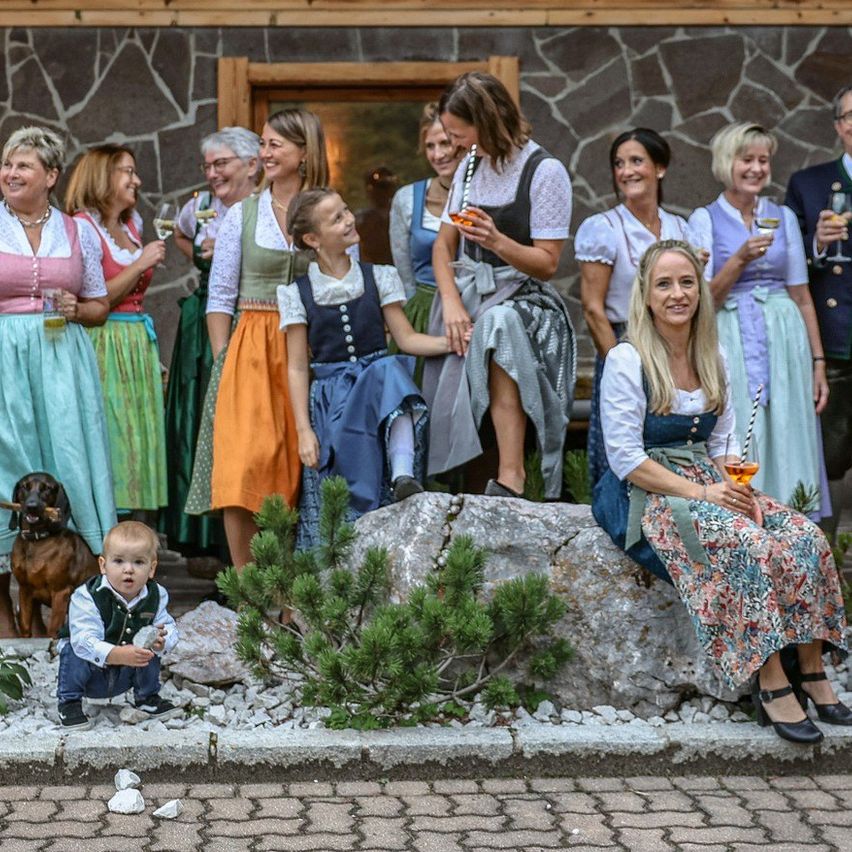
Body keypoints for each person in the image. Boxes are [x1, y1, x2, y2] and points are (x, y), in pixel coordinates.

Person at [593, 239, 849, 744]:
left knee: (801, 534)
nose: (677, 293)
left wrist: (737, 488)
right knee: (747, 543)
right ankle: (770, 681)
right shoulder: (627, 359)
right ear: (645, 294)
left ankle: (812, 671)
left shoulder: (714, 353)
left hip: (706, 479)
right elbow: (626, 459)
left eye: (686, 282)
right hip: (646, 490)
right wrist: (705, 496)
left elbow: (723, 440)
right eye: (664, 284)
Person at [186, 108, 328, 570]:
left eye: (274, 145)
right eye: (262, 144)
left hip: (309, 347)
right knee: (242, 467)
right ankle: (247, 586)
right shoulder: (243, 214)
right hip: (251, 346)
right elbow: (220, 295)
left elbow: (343, 278)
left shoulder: (327, 209)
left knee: (293, 469)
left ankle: (288, 587)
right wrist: (224, 357)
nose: (264, 153)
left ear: (303, 152)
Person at [424, 72, 576, 499]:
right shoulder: (469, 167)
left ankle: (512, 475)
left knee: (498, 325)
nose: (452, 145)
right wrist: (452, 303)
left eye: (458, 134)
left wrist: (496, 240)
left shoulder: (544, 172)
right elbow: (443, 247)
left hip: (526, 299)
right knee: (464, 327)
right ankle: (441, 477)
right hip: (470, 292)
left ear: (487, 122)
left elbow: (547, 264)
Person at [281, 189, 454, 547]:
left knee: (389, 368)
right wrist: (303, 431)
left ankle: (402, 474)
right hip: (332, 400)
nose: (349, 220)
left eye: (347, 210)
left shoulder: (379, 276)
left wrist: (451, 343)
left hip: (379, 395)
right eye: (337, 218)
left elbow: (405, 339)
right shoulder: (297, 293)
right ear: (313, 239)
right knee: (340, 499)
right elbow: (297, 367)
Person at [0, 126, 115, 637]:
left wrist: (78, 308)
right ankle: (4, 612)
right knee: (7, 462)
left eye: (22, 166)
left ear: (50, 175)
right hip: (4, 357)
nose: (10, 173)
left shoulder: (78, 231)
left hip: (62, 361)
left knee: (69, 459)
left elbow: (99, 307)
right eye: (7, 165)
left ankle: (89, 601)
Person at [688, 122, 830, 516]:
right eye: (746, 159)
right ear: (726, 163)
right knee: (742, 429)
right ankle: (747, 518)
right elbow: (705, 300)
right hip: (731, 333)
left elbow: (801, 296)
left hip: (785, 337)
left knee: (789, 426)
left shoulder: (782, 216)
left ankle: (793, 520)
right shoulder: (704, 219)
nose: (755, 168)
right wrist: (739, 259)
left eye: (763, 160)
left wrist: (818, 362)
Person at [576, 128, 696, 487]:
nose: (626, 171)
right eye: (619, 163)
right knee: (625, 446)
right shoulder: (603, 228)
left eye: (636, 161)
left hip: (676, 348)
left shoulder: (680, 227)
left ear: (659, 168)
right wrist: (621, 367)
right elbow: (593, 309)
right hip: (625, 344)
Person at [163, 127, 260, 552]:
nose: (212, 173)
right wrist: (200, 255)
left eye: (221, 163)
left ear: (251, 164)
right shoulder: (199, 206)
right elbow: (181, 234)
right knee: (200, 419)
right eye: (208, 165)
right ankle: (206, 543)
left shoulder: (264, 208)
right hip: (204, 324)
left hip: (251, 319)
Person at [65, 145, 168, 517]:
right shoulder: (82, 227)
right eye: (127, 171)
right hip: (103, 341)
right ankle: (108, 528)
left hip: (136, 341)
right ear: (103, 177)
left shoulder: (131, 225)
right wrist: (140, 263)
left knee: (138, 438)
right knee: (112, 435)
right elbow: (97, 297)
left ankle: (134, 536)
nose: (136, 180)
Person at [786, 84, 852, 540]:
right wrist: (817, 245)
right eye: (850, 115)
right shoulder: (808, 183)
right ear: (839, 127)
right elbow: (786, 265)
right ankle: (826, 567)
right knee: (828, 459)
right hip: (835, 340)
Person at [55, 521, 180, 730]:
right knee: (72, 647)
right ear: (103, 565)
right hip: (91, 675)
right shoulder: (87, 596)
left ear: (152, 568)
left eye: (139, 562)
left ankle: (147, 697)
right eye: (119, 561)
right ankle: (69, 703)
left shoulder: (157, 595)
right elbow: (84, 641)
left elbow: (170, 627)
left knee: (150, 641)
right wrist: (118, 654)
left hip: (126, 674)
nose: (128, 570)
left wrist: (162, 642)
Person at [389, 103, 463, 386]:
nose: (438, 154)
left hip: (472, 306)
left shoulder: (481, 193)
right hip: (423, 312)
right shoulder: (407, 199)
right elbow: (403, 271)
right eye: (430, 146)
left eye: (445, 143)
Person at [355, 166, 399, 264]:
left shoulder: (402, 214)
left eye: (385, 188)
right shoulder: (361, 220)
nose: (382, 192)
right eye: (380, 188)